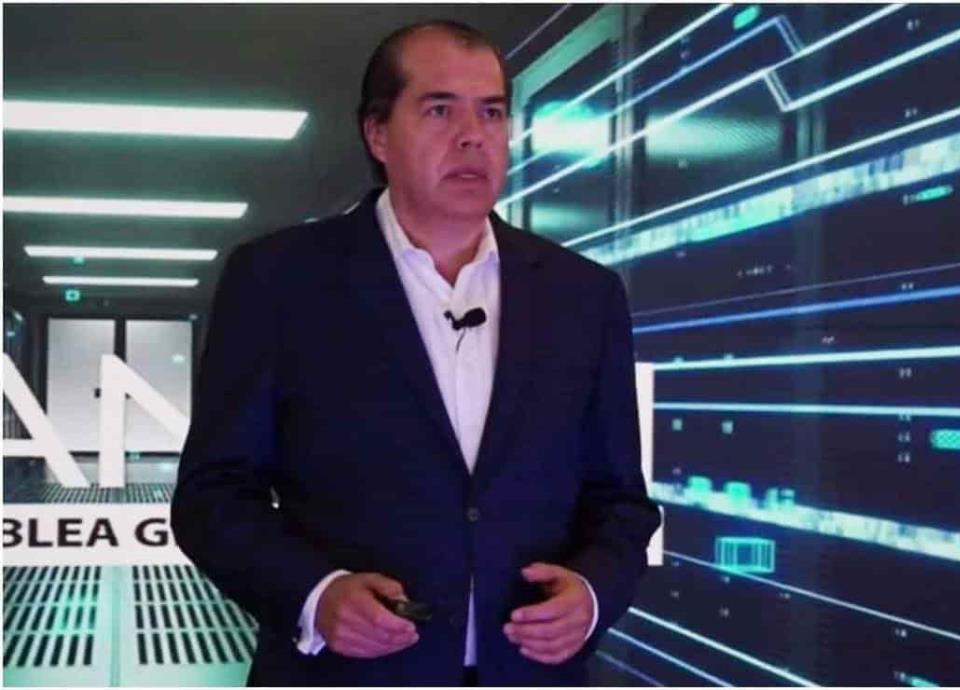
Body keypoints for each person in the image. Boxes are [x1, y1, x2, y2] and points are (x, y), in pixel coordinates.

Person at [171, 19, 661, 687]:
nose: (472, 135)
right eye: (440, 110)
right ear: (377, 133)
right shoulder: (279, 281)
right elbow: (213, 497)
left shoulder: (585, 295)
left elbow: (621, 502)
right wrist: (316, 595)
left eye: (491, 112)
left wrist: (594, 594)